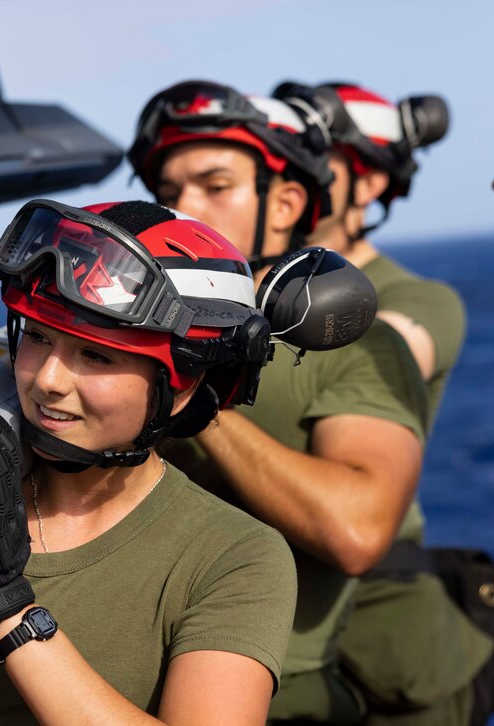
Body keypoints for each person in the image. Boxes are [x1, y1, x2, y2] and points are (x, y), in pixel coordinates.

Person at [0, 199, 299, 724]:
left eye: (96, 355)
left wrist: (7, 607)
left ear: (183, 387)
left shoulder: (236, 556)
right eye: (38, 337)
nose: (47, 381)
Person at [128, 80, 429, 723]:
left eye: (215, 186)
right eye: (168, 192)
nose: (183, 209)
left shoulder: (359, 347)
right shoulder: (126, 332)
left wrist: (192, 395)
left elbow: (358, 529)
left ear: (287, 201)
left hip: (277, 691)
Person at [271, 81, 493, 725]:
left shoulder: (414, 300)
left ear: (368, 187)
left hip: (382, 655)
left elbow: (383, 351)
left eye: (318, 160)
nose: (297, 176)